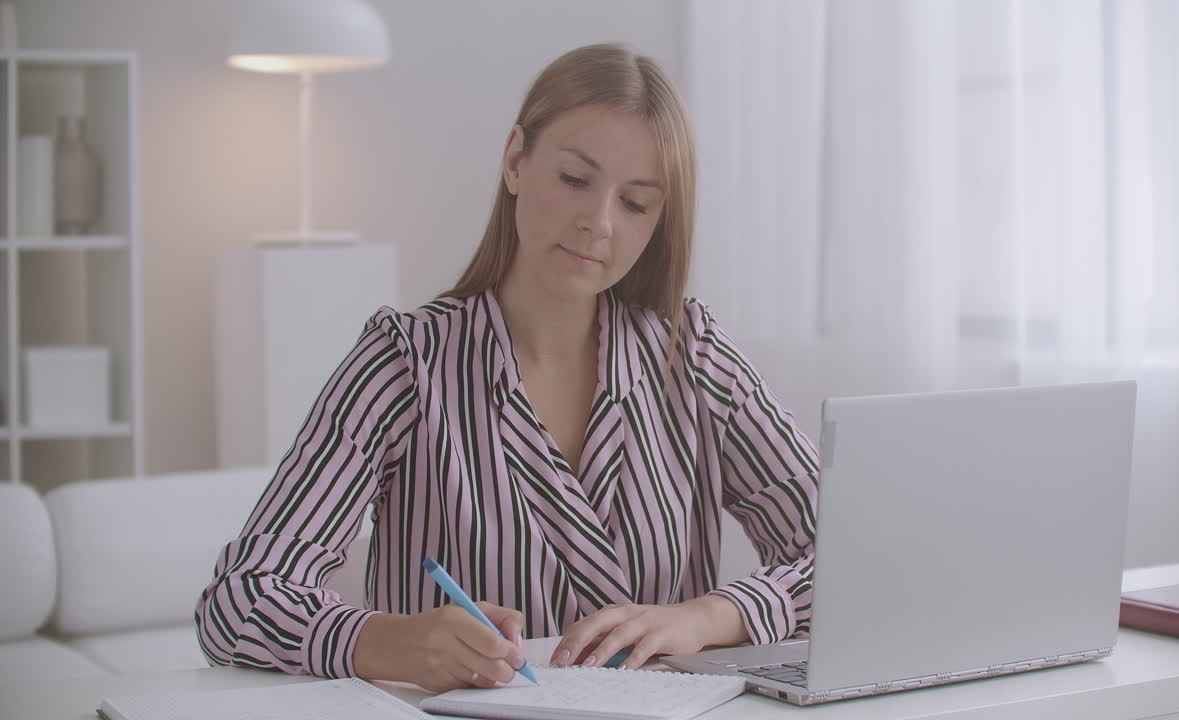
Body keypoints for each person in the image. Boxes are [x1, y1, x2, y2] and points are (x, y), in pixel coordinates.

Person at [196, 43, 818, 694]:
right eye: (574, 179)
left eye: (636, 203)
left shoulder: (694, 359)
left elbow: (852, 559)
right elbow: (240, 598)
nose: (598, 222)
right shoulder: (405, 363)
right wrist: (391, 642)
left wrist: (714, 616)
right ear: (516, 160)